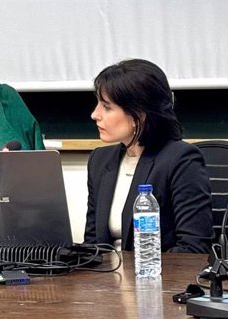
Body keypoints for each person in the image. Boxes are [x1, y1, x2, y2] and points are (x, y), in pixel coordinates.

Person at [83, 59, 214, 253]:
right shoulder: (100, 161)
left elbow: (193, 249)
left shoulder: (181, 160)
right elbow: (93, 244)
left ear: (139, 114)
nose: (95, 114)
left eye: (107, 107)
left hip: (158, 277)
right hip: (107, 280)